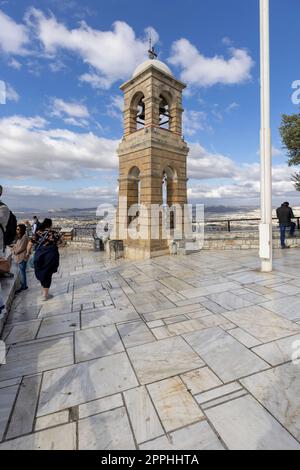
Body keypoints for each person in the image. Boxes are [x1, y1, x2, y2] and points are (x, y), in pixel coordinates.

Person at [27, 218, 61, 301]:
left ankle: (44, 293)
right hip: (51, 256)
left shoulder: (38, 233)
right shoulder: (55, 233)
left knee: (41, 272)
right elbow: (61, 242)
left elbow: (30, 243)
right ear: (50, 225)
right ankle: (45, 295)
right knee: (48, 273)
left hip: (40, 255)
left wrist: (28, 252)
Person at [11, 224, 29, 294]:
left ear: (22, 229)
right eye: (16, 229)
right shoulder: (20, 237)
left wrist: (14, 251)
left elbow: (21, 248)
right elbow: (17, 245)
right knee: (22, 272)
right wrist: (13, 246)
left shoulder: (24, 237)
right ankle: (23, 285)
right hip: (20, 257)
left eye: (18, 229)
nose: (17, 231)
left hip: (22, 257)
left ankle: (24, 286)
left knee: (22, 272)